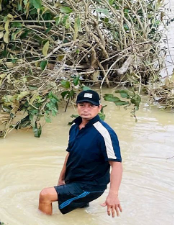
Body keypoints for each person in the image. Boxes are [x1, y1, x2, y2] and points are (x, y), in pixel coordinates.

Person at [38, 89, 123, 217]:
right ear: (76, 106)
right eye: (82, 105)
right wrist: (61, 178)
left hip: (91, 186)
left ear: (99, 108)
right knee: (78, 212)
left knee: (45, 195)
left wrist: (113, 194)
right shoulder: (74, 127)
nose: (86, 109)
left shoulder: (105, 133)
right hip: (74, 180)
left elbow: (116, 164)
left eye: (91, 106)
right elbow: (70, 153)